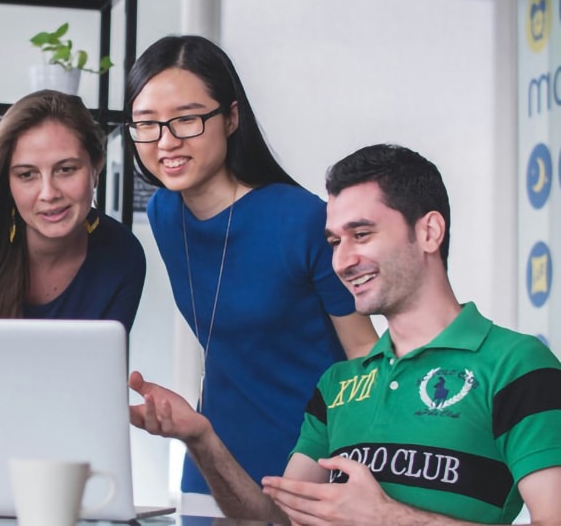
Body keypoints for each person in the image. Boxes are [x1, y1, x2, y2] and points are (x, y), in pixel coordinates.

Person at [129, 144, 561, 525]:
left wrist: (388, 518)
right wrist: (202, 437)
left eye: (362, 234)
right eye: (335, 241)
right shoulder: (338, 384)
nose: (342, 261)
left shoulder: (516, 365)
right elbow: (277, 519)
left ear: (429, 232)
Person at [124, 34, 377, 506]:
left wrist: (358, 476)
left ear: (232, 117)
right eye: (147, 124)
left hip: (310, 467)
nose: (166, 141)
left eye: (188, 120)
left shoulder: (300, 219)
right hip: (211, 462)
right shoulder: (164, 213)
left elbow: (365, 356)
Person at [0, 90, 146, 331]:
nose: (49, 193)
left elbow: (103, 365)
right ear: (7, 181)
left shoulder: (122, 255)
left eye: (65, 169)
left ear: (95, 167)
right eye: (27, 175)